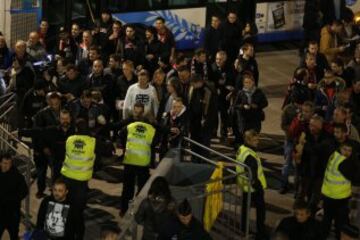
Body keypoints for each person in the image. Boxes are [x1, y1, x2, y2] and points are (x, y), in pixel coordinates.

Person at [118, 103, 159, 216]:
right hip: (143, 163)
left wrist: (126, 146)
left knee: (127, 188)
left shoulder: (130, 127)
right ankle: (141, 212)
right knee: (142, 189)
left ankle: (123, 210)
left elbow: (120, 135)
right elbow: (155, 142)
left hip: (130, 160)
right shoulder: (151, 129)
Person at [60, 119, 97, 239]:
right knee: (78, 211)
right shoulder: (92, 142)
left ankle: (66, 234)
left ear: (76, 129)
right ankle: (79, 235)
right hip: (81, 183)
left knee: (66, 208)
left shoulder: (70, 140)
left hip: (67, 179)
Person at [236, 130, 268, 240]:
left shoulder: (241, 149)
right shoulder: (250, 156)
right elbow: (253, 177)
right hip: (254, 188)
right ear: (248, 140)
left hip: (244, 186)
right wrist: (259, 187)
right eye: (255, 140)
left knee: (245, 209)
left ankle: (244, 229)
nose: (257, 142)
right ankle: (261, 232)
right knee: (260, 211)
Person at [322, 141, 354, 239]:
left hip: (328, 194)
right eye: (345, 149)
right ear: (340, 148)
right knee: (340, 222)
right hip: (340, 197)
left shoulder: (334, 155)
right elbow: (355, 177)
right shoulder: (344, 162)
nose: (346, 153)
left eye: (349, 151)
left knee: (327, 219)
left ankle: (322, 236)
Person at [232, 74, 268, 147]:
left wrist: (257, 106)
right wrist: (243, 106)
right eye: (245, 82)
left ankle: (253, 149)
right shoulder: (241, 93)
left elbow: (265, 103)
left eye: (249, 82)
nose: (247, 84)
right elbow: (235, 105)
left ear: (253, 82)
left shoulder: (258, 92)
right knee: (245, 138)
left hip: (255, 119)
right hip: (244, 120)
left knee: (254, 137)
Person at [187, 73, 217, 161]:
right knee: (194, 141)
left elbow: (212, 110)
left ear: (199, 82)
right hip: (194, 121)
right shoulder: (193, 89)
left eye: (193, 84)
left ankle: (204, 161)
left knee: (204, 143)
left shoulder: (208, 91)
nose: (192, 85)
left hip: (205, 122)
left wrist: (207, 121)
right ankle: (194, 159)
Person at [0, 152, 28, 240]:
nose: (6, 166)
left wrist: (12, 200)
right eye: (4, 163)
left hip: (12, 213)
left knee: (14, 235)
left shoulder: (17, 176)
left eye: (9, 163)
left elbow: (24, 191)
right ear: (0, 163)